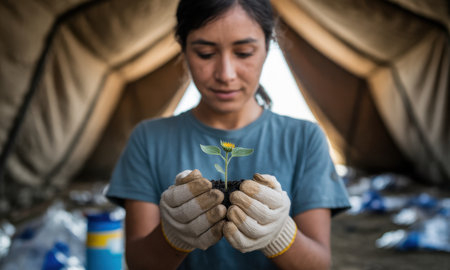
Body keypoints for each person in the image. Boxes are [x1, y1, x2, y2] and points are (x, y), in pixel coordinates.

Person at [106, 0, 350, 269]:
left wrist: (281, 235)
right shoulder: (148, 140)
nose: (226, 74)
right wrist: (172, 236)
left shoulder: (305, 139)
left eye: (244, 53)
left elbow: (318, 264)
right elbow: (139, 263)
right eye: (205, 54)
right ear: (184, 50)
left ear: (268, 48)